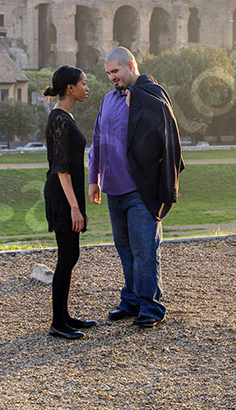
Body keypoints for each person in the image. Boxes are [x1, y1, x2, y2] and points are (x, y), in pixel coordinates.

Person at [88, 47, 185, 328]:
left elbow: (165, 130)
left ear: (130, 65)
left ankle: (151, 306)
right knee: (125, 249)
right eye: (108, 73)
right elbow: (97, 140)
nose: (111, 78)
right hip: (113, 189)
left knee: (145, 250)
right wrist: (94, 179)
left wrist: (138, 103)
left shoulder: (150, 96)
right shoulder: (107, 100)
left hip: (141, 190)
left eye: (115, 72)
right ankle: (130, 301)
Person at [42, 65, 94, 340]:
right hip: (63, 196)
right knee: (67, 256)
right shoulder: (60, 119)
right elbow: (61, 168)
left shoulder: (64, 116)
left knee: (70, 255)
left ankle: (64, 316)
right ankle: (57, 323)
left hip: (67, 194)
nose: (87, 88)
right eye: (84, 83)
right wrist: (74, 206)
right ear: (70, 88)